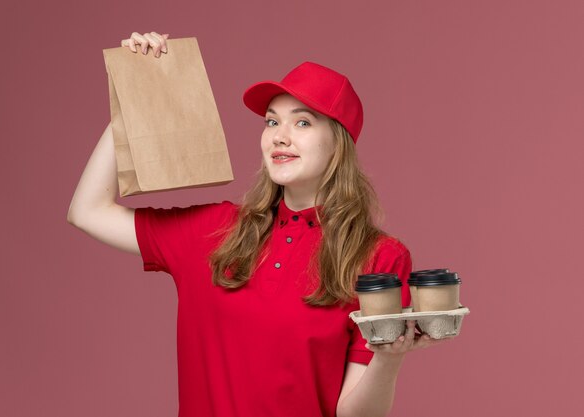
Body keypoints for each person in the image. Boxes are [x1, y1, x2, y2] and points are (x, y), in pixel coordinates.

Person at [67, 31, 447, 417]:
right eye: (271, 122)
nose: (279, 137)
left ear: (339, 143)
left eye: (302, 123)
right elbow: (87, 210)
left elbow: (353, 414)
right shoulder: (213, 230)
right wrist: (135, 91)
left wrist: (388, 360)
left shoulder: (379, 257)